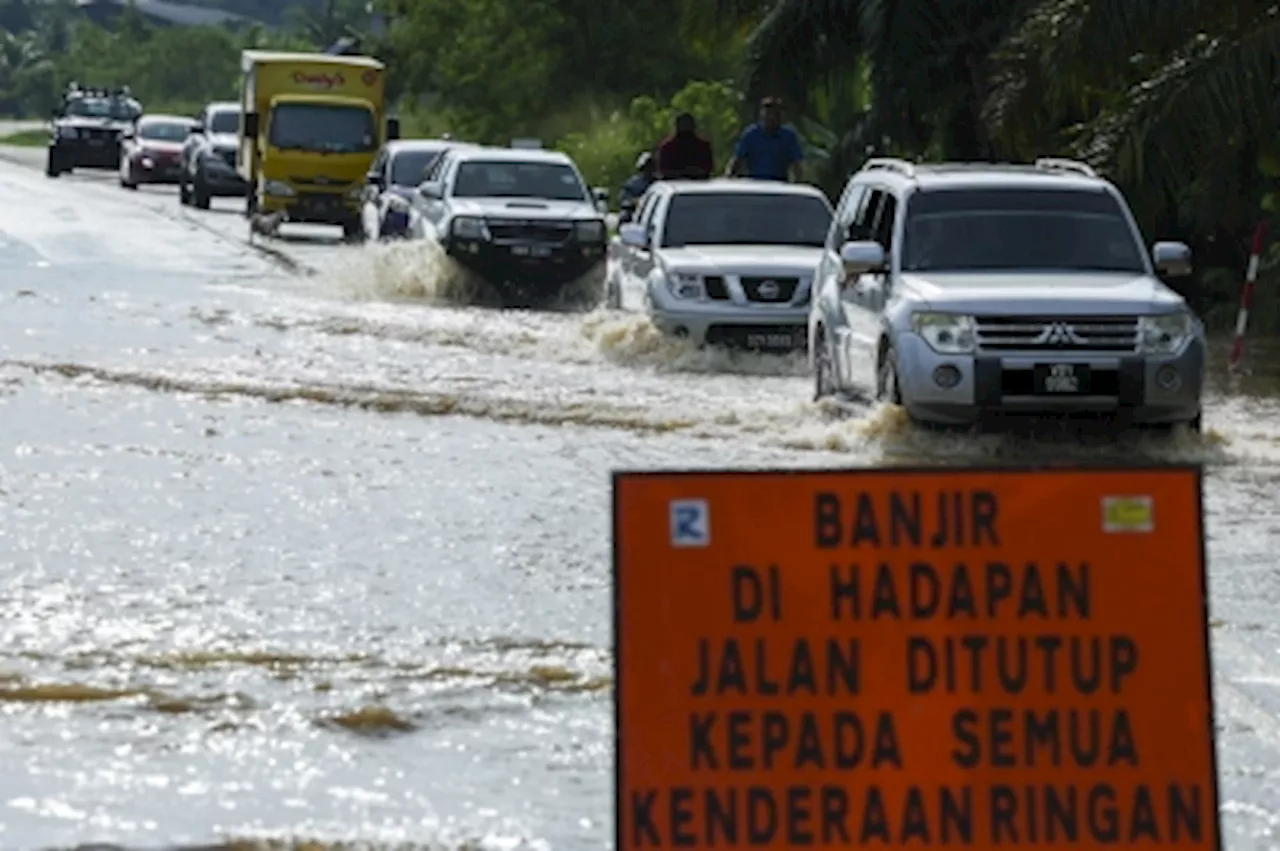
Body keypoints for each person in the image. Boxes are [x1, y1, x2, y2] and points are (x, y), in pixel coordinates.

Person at [725, 96, 804, 182]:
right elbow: (738, 160)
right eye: (769, 114)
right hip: (755, 184)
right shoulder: (751, 134)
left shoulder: (788, 136)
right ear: (762, 114)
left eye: (776, 114)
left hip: (779, 185)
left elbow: (797, 164)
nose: (772, 118)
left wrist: (797, 184)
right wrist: (728, 178)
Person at [656, 113, 713, 179]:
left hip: (697, 183)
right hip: (675, 183)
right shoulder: (703, 145)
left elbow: (707, 168)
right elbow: (664, 170)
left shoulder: (667, 146)